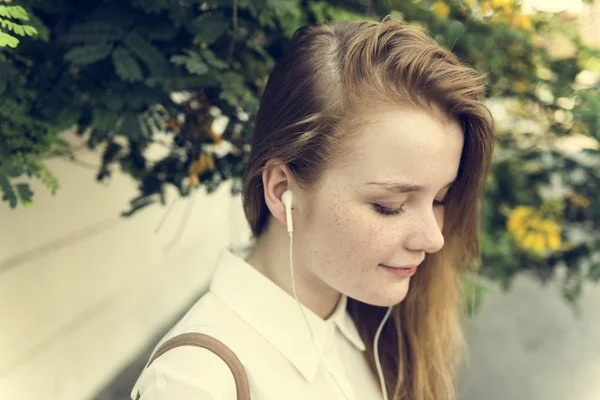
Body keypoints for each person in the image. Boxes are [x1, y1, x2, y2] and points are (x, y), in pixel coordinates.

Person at [132, 15, 494, 400]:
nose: (434, 238)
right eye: (390, 205)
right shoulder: (195, 382)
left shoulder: (380, 328)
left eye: (439, 199)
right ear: (283, 190)